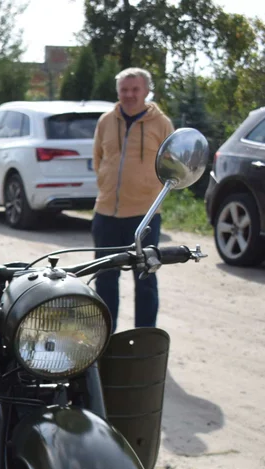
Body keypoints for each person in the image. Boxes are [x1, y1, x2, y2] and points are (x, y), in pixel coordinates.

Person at [92, 67, 175, 330]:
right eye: (124, 90)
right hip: (106, 214)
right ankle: (105, 337)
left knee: (146, 280)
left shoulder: (161, 123)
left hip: (145, 216)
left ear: (146, 91)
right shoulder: (106, 121)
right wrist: (107, 185)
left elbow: (171, 166)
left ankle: (144, 339)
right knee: (105, 280)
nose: (129, 95)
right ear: (118, 92)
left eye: (135, 89)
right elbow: (98, 160)